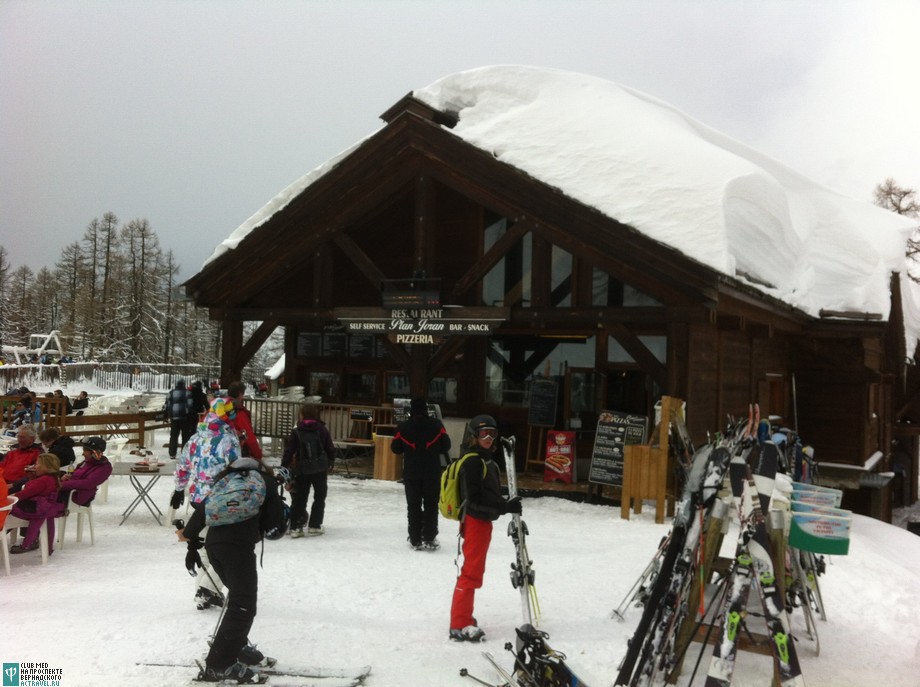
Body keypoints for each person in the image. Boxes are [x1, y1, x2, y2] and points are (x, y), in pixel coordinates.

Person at [178, 457, 277, 683]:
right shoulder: (266, 483)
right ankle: (219, 665)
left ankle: (236, 647)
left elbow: (198, 518)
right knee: (243, 605)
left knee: (238, 602)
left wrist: (192, 546)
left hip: (214, 546)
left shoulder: (224, 483)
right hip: (239, 549)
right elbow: (275, 526)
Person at [448, 415, 522, 643]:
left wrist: (504, 502)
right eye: (483, 434)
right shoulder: (472, 462)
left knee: (474, 571)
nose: (488, 438)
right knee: (470, 572)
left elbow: (487, 495)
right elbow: (475, 500)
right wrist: (504, 506)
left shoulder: (486, 460)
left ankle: (464, 617)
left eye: (492, 433)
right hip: (476, 521)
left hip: (482, 521)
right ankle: (459, 624)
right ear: (473, 436)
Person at [170, 397, 241, 611]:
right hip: (222, 500)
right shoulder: (229, 441)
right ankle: (208, 589)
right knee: (226, 548)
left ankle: (202, 593)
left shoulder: (195, 439)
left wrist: (179, 488)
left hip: (198, 499)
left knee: (203, 545)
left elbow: (183, 466)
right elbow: (237, 470)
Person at [391, 397, 451, 550]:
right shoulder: (437, 425)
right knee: (431, 505)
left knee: (413, 505)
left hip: (411, 473)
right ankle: (429, 537)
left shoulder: (403, 427)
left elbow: (396, 448)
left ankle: (415, 538)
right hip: (431, 472)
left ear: (411, 410)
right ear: (426, 409)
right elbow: (446, 446)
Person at [281, 403, 334, 538]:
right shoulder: (321, 429)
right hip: (320, 469)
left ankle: (295, 527)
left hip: (302, 469)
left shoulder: (297, 430)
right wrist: (331, 462)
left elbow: (289, 451)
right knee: (319, 497)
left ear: (302, 415)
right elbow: (330, 447)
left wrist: (284, 466)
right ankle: (315, 526)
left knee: (300, 498)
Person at [9, 452, 62, 555]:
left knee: (8, 510)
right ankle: (45, 547)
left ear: (46, 467)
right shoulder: (53, 478)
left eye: (37, 464)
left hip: (33, 509)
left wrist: (10, 497)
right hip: (45, 509)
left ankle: (25, 543)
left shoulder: (43, 481)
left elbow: (25, 494)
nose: (34, 467)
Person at [59, 436, 112, 507]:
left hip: (79, 497)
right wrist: (66, 477)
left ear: (94, 453)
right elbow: (75, 475)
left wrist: (62, 485)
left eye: (85, 451)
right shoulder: (87, 462)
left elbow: (87, 483)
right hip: (69, 491)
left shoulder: (104, 468)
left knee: (44, 497)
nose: (82, 454)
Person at [226, 382, 262, 461]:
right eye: (243, 394)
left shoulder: (219, 409)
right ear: (240, 394)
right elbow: (249, 438)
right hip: (236, 455)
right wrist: (258, 456)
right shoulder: (238, 413)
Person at [164, 379, 191, 459]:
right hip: (185, 418)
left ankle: (172, 453)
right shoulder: (187, 393)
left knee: (173, 436)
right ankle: (184, 453)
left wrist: (168, 414)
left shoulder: (171, 393)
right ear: (184, 384)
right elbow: (190, 405)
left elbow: (167, 405)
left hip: (174, 418)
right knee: (185, 436)